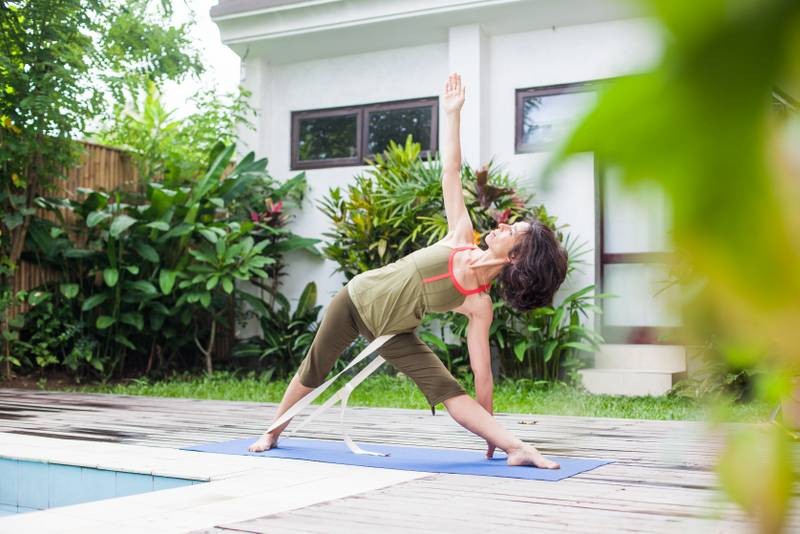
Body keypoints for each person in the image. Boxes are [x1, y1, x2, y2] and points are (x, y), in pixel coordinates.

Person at [249, 73, 568, 469]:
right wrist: (452, 114)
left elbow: (481, 375)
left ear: (517, 258)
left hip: (392, 332)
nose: (501, 225)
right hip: (355, 300)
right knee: (313, 369)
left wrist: (491, 434)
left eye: (511, 230)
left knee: (448, 389)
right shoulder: (460, 237)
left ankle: (518, 448)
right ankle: (273, 431)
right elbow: (450, 172)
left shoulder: (478, 303)